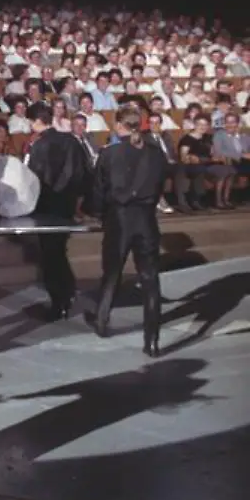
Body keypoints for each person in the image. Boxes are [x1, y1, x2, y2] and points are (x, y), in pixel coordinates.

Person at [86, 107, 167, 357]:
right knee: (150, 280)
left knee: (112, 272)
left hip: (119, 219)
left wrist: (99, 213)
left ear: (119, 125)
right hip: (146, 219)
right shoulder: (156, 154)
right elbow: (160, 185)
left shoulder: (109, 154)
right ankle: (152, 340)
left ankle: (101, 320)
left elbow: (98, 190)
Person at [26, 103, 88, 321]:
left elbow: (34, 179)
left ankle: (58, 303)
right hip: (67, 205)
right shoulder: (71, 141)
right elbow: (81, 172)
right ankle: (67, 294)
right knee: (60, 250)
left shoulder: (39, 145)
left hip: (46, 206)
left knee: (50, 255)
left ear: (36, 121)